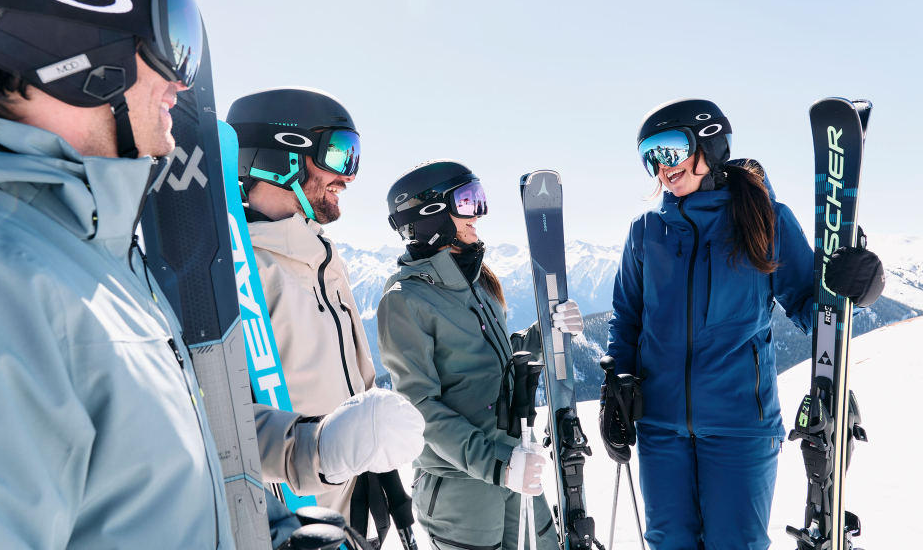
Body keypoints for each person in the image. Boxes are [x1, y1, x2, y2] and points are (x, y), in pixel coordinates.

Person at [0, 0, 312, 547]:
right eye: (173, 29)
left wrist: (271, 525)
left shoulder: (97, 253)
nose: (182, 79)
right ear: (64, 31)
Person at [602, 98, 884, 550]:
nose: (662, 166)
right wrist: (615, 389)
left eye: (671, 149)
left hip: (740, 428)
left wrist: (859, 287)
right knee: (667, 542)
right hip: (660, 427)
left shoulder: (764, 219)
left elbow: (811, 304)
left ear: (710, 145)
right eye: (650, 156)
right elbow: (627, 321)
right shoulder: (646, 232)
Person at [227, 87, 425, 546]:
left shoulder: (327, 261)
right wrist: (317, 448)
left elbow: (357, 384)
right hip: (288, 529)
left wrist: (380, 474)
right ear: (281, 156)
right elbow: (216, 421)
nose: (349, 176)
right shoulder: (234, 271)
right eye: (338, 153)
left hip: (352, 519)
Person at [377, 160, 586, 550]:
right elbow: (421, 408)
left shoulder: (479, 282)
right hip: (461, 488)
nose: (479, 213)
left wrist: (548, 331)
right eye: (467, 201)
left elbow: (500, 363)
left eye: (478, 199)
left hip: (515, 465)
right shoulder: (405, 300)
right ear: (430, 213)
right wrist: (498, 466)